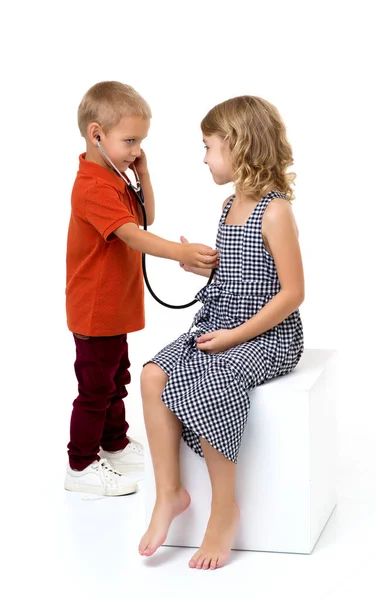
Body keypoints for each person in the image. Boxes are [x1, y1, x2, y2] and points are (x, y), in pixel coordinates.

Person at [139, 95, 305, 568]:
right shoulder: (230, 203)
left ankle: (224, 509)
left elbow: (291, 293)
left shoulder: (275, 211)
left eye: (208, 146)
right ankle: (169, 493)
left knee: (214, 380)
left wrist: (233, 338)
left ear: (236, 146)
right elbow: (241, 275)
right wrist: (206, 271)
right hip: (221, 321)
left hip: (269, 336)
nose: (204, 156)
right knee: (154, 374)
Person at [64, 81, 218, 497]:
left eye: (140, 142)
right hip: (96, 309)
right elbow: (133, 235)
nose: (135, 150)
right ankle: (80, 464)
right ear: (97, 134)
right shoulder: (93, 186)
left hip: (116, 305)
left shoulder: (115, 179)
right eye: (130, 141)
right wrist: (177, 253)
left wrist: (142, 171)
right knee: (95, 387)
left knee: (117, 378)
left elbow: (147, 212)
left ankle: (113, 444)